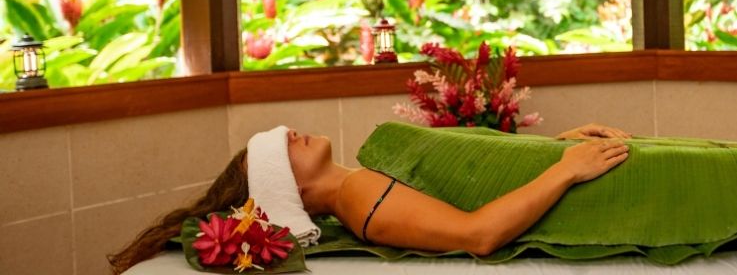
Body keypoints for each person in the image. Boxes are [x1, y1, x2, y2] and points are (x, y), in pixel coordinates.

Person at [108, 123, 632, 274]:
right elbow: (480, 234)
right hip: (588, 185)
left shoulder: (362, 182)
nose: (290, 132)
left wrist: (549, 149)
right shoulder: (359, 195)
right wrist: (563, 172)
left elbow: (468, 178)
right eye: (276, 150)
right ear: (289, 189)